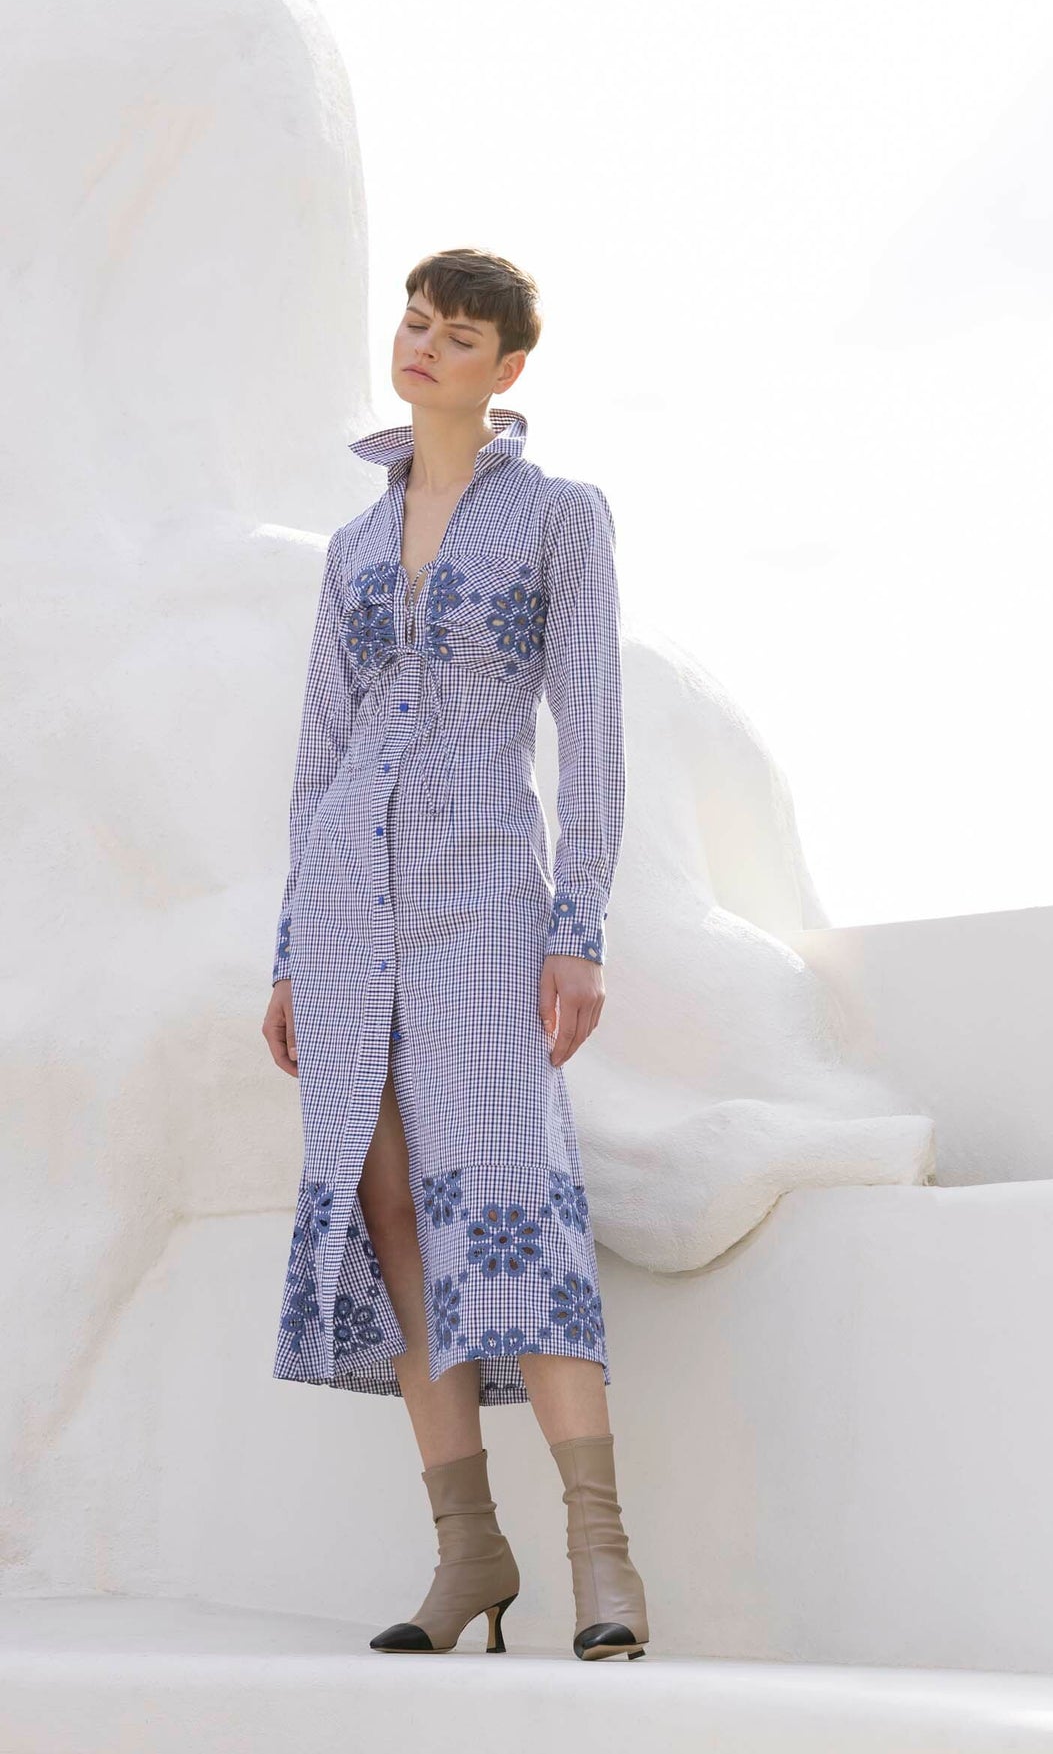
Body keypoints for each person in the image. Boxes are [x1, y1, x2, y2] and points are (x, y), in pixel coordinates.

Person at [261, 246, 648, 1660]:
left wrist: (579, 927)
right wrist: (295, 951)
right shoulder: (351, 547)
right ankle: (467, 1554)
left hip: (487, 901)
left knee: (513, 1205)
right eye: (415, 320)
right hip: (352, 912)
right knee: (395, 1222)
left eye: (457, 331)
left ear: (508, 369)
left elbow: (592, 727)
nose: (423, 344)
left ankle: (601, 1554)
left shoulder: (557, 517)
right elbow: (317, 763)